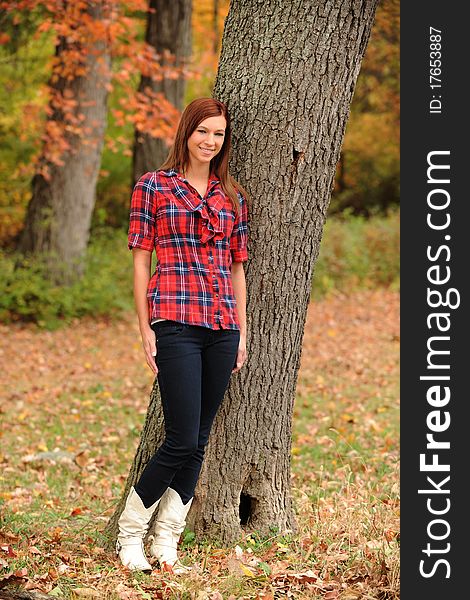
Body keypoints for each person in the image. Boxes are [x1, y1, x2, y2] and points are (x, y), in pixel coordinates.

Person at [116, 97, 249, 573]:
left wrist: (242, 330)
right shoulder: (153, 187)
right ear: (186, 133)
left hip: (221, 327)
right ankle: (130, 534)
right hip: (174, 322)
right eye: (203, 132)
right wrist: (144, 327)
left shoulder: (232, 197)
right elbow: (139, 260)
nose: (210, 141)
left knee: (200, 437)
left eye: (218, 134)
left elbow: (237, 269)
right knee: (179, 437)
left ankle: (167, 538)